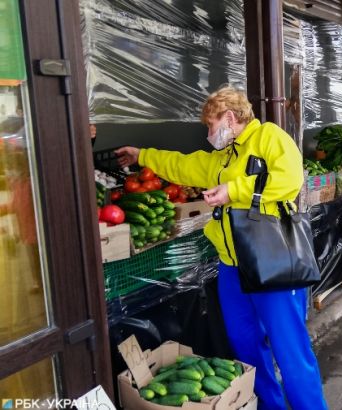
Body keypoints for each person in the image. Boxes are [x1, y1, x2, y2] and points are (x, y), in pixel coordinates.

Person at [115, 86, 328, 410]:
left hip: (274, 264)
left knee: (290, 351)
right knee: (246, 347)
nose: (208, 134)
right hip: (232, 267)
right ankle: (271, 407)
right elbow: (181, 165)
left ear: (230, 118)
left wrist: (235, 190)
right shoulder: (221, 157)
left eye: (210, 126)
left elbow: (290, 178)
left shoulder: (269, 137)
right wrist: (142, 155)